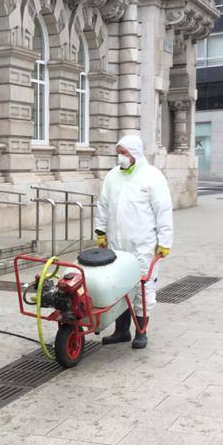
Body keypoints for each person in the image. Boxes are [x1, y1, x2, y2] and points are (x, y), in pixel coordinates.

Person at [94, 134, 174, 349]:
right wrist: (100, 231)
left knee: (142, 288)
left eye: (124, 153)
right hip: (116, 245)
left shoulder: (152, 177)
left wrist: (164, 242)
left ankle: (141, 332)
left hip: (143, 246)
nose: (120, 157)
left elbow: (163, 211)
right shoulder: (112, 176)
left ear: (135, 154)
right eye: (118, 153)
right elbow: (103, 205)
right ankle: (121, 332)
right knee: (117, 287)